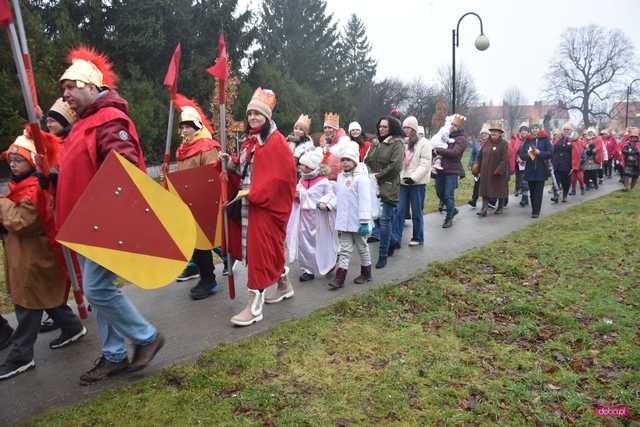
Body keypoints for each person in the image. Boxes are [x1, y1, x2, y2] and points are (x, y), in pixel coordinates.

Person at [57, 47, 164, 384]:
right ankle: (115, 354)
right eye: (64, 90)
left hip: (104, 221)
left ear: (90, 85)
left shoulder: (110, 120)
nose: (66, 95)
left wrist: (106, 214)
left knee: (98, 288)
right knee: (96, 289)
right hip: (86, 224)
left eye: (71, 87)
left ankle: (146, 337)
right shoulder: (84, 123)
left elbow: (124, 171)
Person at [0, 133, 86, 380]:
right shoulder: (22, 185)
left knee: (27, 304)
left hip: (35, 258)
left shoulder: (35, 188)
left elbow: (23, 222)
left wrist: (1, 206)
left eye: (19, 160)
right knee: (46, 296)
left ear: (32, 162)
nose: (13, 164)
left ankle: (21, 356)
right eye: (11, 159)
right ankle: (72, 328)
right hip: (26, 255)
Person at [224, 88, 297, 325]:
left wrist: (257, 192)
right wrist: (229, 162)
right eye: (250, 113)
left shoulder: (278, 143)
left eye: (258, 114)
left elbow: (283, 180)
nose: (253, 118)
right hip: (249, 205)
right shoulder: (251, 141)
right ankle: (284, 285)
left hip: (266, 207)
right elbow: (243, 167)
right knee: (268, 251)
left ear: (267, 117)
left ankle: (254, 308)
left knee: (259, 255)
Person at [172, 95, 222, 300]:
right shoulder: (182, 150)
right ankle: (206, 275)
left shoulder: (207, 147)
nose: (184, 130)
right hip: (187, 203)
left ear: (197, 126)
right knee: (195, 243)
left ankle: (209, 280)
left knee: (206, 242)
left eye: (188, 126)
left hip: (204, 203)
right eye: (182, 127)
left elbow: (211, 176)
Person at [40, 97, 78, 334]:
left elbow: (74, 173)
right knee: (58, 262)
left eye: (53, 120)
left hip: (70, 209)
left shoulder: (72, 142)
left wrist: (56, 177)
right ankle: (60, 308)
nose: (49, 124)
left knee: (73, 261)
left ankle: (88, 299)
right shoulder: (47, 144)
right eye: (48, 120)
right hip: (53, 210)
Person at [286, 148, 336, 282]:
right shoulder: (301, 180)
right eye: (301, 164)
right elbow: (298, 196)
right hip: (303, 218)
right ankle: (307, 270)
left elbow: (331, 196)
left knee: (321, 242)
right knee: (304, 244)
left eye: (304, 165)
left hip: (319, 218)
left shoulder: (324, 182)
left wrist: (325, 203)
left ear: (311, 166)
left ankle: (328, 263)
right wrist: (296, 197)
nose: (300, 167)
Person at [328, 143, 373, 289]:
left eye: (348, 159)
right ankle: (339, 279)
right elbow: (340, 196)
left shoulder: (361, 179)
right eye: (342, 160)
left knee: (362, 247)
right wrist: (328, 205)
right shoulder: (340, 177)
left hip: (359, 222)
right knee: (345, 249)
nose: (345, 163)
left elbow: (365, 201)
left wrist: (364, 222)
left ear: (354, 160)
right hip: (344, 222)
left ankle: (366, 273)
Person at [364, 116, 404, 269]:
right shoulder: (377, 143)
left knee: (385, 220)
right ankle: (393, 241)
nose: (381, 129)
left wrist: (378, 176)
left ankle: (383, 255)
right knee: (378, 219)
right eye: (380, 126)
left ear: (392, 128)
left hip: (388, 185)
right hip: (373, 184)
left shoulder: (397, 144)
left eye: (385, 127)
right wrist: (369, 173)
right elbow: (367, 161)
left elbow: (395, 167)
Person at [395, 116, 431, 246]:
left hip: (417, 183)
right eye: (404, 127)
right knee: (399, 211)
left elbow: (425, 164)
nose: (405, 130)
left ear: (414, 129)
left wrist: (413, 178)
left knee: (416, 211)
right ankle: (396, 238)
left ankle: (418, 237)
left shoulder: (424, 143)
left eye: (408, 128)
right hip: (402, 183)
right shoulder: (402, 143)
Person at [434, 114, 467, 228]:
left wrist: (439, 150)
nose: (452, 126)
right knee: (439, 192)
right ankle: (452, 209)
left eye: (455, 125)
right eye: (452, 124)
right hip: (441, 169)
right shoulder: (446, 135)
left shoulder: (461, 139)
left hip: (452, 170)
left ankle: (449, 218)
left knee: (448, 195)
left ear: (459, 127)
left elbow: (455, 153)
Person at [473, 121, 509, 216]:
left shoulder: (504, 144)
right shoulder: (486, 143)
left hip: (497, 173)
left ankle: (500, 207)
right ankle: (484, 209)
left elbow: (504, 159)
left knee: (499, 190)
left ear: (500, 133)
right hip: (485, 172)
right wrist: (476, 165)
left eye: (496, 131)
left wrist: (499, 170)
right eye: (492, 131)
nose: (493, 133)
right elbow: (479, 156)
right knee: (485, 190)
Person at [518, 121, 552, 218]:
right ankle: (534, 208)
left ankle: (536, 211)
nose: (534, 130)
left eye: (536, 128)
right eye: (533, 128)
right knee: (532, 192)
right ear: (531, 130)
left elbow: (550, 153)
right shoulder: (527, 141)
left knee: (539, 192)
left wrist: (539, 152)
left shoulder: (545, 139)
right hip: (530, 170)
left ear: (539, 129)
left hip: (541, 170)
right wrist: (531, 154)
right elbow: (522, 155)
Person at [551, 123, 574, 202]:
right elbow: (554, 150)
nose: (566, 131)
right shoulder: (558, 139)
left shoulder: (573, 140)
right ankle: (556, 196)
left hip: (567, 165)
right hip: (557, 164)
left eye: (568, 129)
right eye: (565, 129)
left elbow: (575, 153)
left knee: (566, 182)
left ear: (571, 130)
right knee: (556, 181)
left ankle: (565, 195)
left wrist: (573, 166)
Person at [320, 112, 347, 180]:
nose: (327, 130)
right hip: (324, 177)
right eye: (325, 128)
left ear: (335, 129)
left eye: (330, 127)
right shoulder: (323, 140)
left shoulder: (343, 141)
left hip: (339, 178)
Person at [468, 124, 488, 208]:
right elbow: (472, 155)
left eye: (486, 134)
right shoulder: (476, 144)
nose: (484, 135)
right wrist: (470, 164)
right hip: (477, 168)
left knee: (487, 185)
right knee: (477, 184)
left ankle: (488, 202)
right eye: (483, 133)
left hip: (487, 168)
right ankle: (474, 200)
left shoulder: (490, 144)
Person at [510, 123, 530, 206]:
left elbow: (533, 154)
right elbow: (514, 151)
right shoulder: (517, 140)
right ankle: (525, 198)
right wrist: (517, 158)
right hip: (518, 165)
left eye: (525, 130)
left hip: (528, 164)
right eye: (522, 130)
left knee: (525, 181)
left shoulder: (530, 140)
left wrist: (526, 159)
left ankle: (524, 199)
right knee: (521, 181)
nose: (524, 132)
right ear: (520, 132)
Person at [569, 131, 586, 196]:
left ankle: (582, 188)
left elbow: (583, 152)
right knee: (573, 179)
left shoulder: (580, 143)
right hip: (572, 163)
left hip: (579, 163)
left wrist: (582, 160)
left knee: (580, 178)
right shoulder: (570, 143)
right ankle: (573, 190)